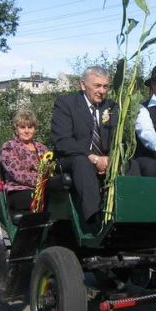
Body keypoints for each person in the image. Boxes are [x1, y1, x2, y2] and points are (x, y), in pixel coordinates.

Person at [51, 66, 118, 224]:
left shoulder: (112, 107)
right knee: (82, 163)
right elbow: (62, 141)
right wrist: (93, 158)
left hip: (106, 159)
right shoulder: (66, 104)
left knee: (132, 164)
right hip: (73, 158)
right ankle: (94, 218)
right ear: (83, 85)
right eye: (97, 86)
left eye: (105, 86)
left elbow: (117, 139)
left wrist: (111, 159)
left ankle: (130, 214)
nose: (102, 91)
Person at [0, 109, 48, 213]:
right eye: (22, 127)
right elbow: (18, 174)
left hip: (43, 189)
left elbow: (49, 169)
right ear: (16, 129)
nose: (26, 131)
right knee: (37, 200)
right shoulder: (9, 147)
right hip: (19, 190)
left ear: (35, 129)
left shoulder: (42, 148)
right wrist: (42, 182)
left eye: (30, 127)